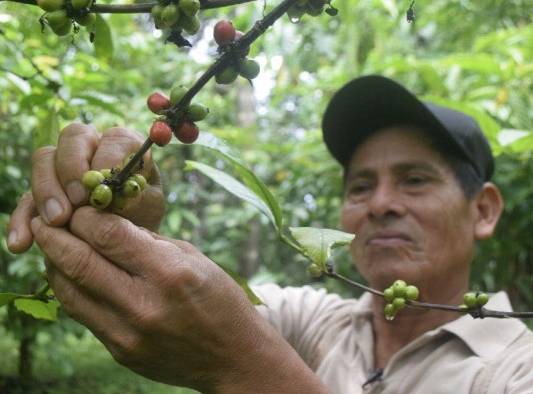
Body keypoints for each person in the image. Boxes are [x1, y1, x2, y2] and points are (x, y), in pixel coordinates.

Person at [6, 75, 533, 393]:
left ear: (484, 209)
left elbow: (233, 341)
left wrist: (245, 370)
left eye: (415, 181)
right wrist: (124, 227)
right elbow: (205, 307)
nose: (380, 205)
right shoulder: (317, 323)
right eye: (361, 186)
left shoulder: (517, 369)